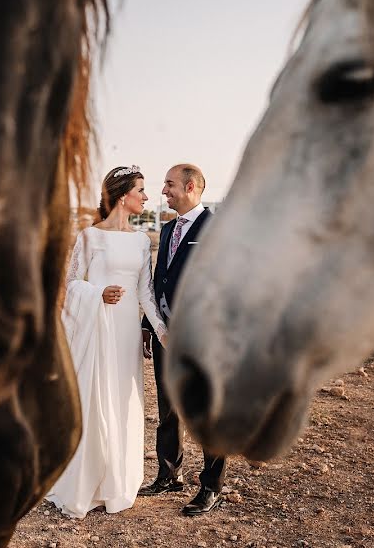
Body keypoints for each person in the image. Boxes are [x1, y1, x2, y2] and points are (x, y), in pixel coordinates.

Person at [47, 165, 169, 519]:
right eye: (141, 190)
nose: (147, 197)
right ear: (121, 196)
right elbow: (69, 285)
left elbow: (145, 292)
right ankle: (87, 483)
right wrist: (98, 293)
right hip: (97, 328)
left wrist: (161, 331)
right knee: (95, 399)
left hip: (126, 332)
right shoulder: (89, 237)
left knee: (123, 400)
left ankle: (116, 482)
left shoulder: (141, 240)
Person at [139, 164, 226, 516]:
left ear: (190, 187)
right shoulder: (168, 227)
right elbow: (161, 280)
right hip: (164, 337)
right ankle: (168, 473)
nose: (163, 191)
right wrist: (149, 324)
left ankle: (211, 487)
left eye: (169, 184)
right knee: (168, 409)